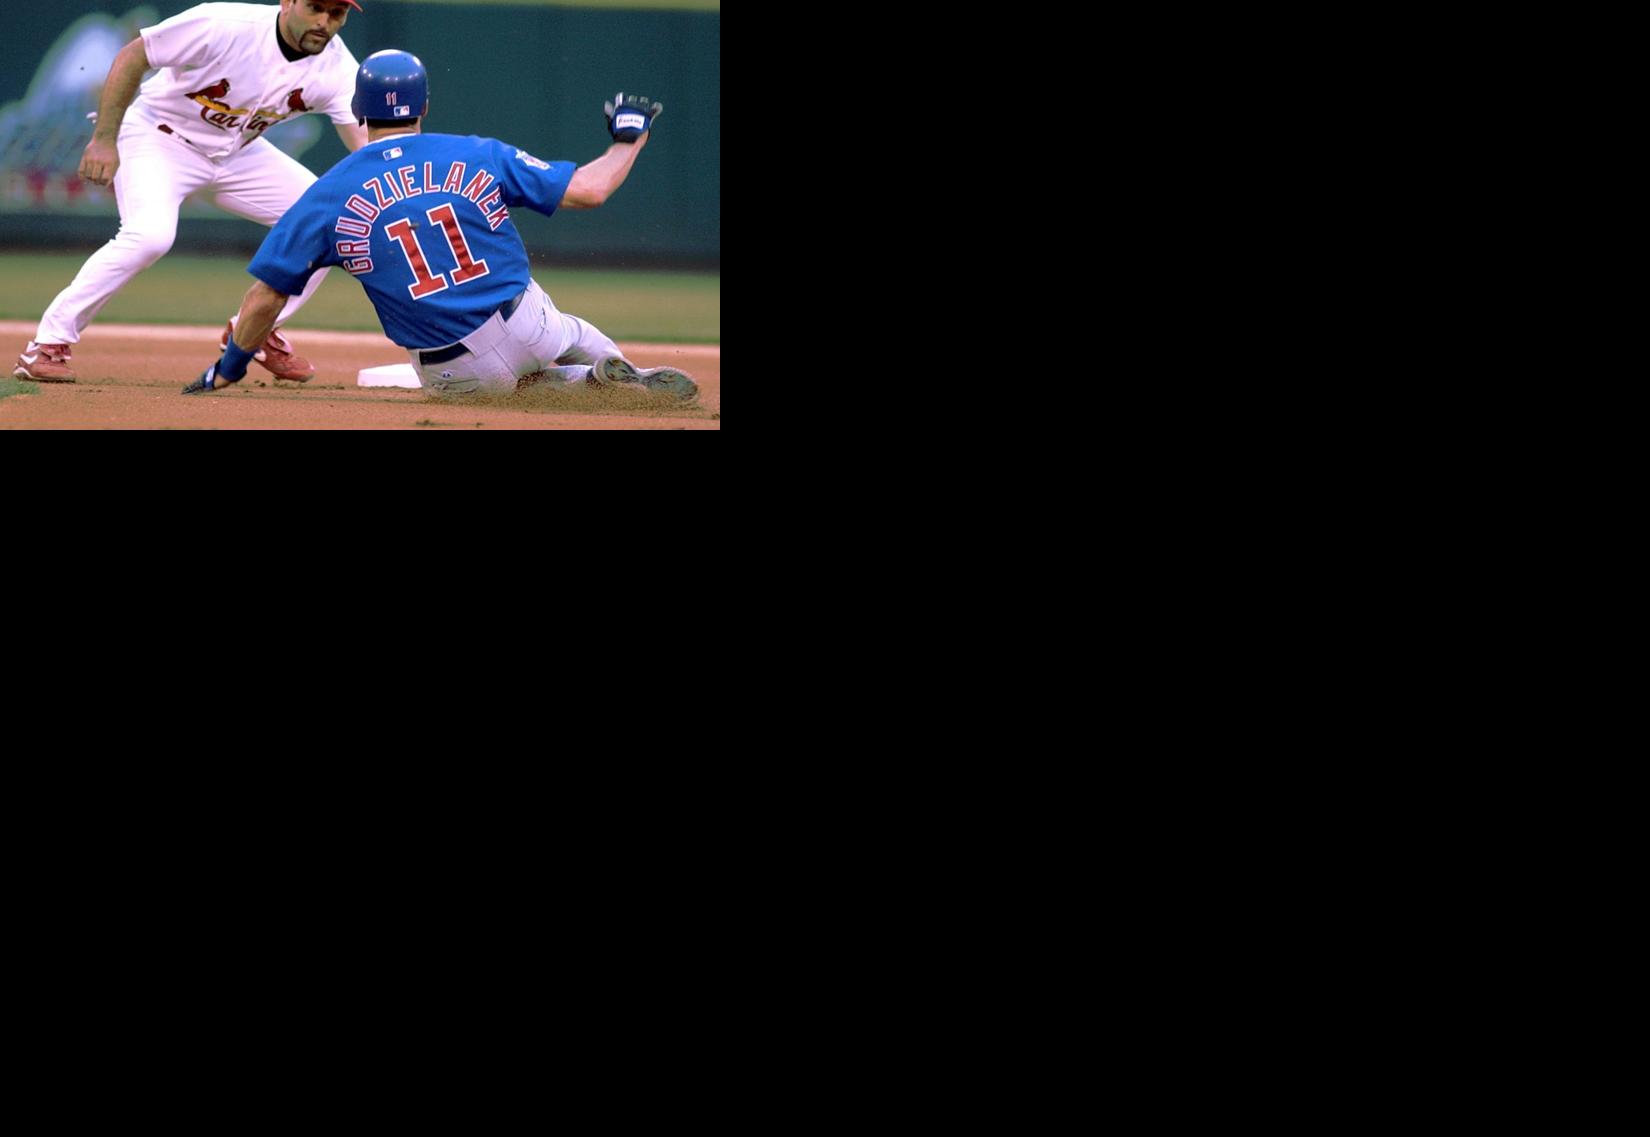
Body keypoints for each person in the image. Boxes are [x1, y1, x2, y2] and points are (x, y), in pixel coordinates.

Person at [181, 49, 696, 400]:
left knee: (514, 394)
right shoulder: (476, 153)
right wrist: (629, 139)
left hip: (453, 367)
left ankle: (583, 384)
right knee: (569, 330)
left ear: (358, 109)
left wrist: (228, 369)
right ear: (424, 104)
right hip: (527, 320)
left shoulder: (328, 195)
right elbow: (590, 190)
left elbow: (265, 298)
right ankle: (609, 367)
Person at [12, 1, 370, 385]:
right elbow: (135, 55)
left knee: (328, 223)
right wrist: (104, 138)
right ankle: (46, 345)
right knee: (149, 237)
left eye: (337, 13)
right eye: (315, 7)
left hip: (237, 152)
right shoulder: (224, 24)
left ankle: (253, 330)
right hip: (158, 136)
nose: (324, 21)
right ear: (287, 3)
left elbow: (366, 149)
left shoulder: (337, 67)